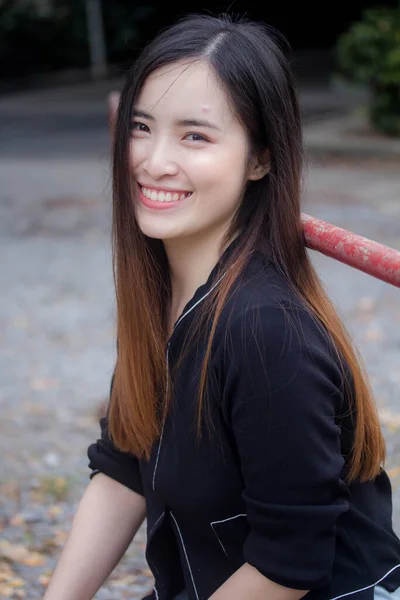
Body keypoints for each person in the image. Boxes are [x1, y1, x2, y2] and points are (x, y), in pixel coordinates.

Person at [43, 12, 400, 600]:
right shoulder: (164, 294)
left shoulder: (265, 331)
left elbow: (290, 563)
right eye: (141, 126)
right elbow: (124, 466)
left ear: (260, 159)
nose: (154, 161)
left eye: (195, 135)